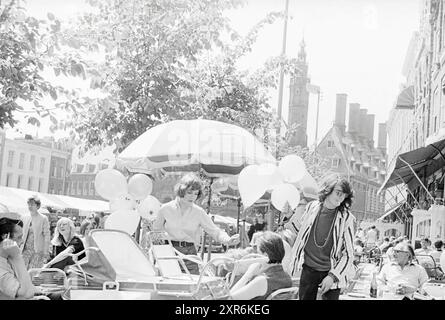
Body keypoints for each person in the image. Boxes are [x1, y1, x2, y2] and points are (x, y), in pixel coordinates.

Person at [153, 173, 239, 274]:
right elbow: (156, 233)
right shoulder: (165, 209)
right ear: (181, 190)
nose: (193, 197)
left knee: (191, 285)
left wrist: (228, 240)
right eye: (190, 192)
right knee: (168, 285)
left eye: (195, 193)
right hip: (168, 252)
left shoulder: (199, 212)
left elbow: (215, 231)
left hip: (190, 254)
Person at [289, 173, 355, 300]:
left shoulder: (346, 218)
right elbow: (301, 234)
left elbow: (349, 254)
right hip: (308, 271)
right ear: (328, 189)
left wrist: (332, 276)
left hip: (331, 273)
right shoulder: (311, 208)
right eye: (338, 192)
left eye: (344, 195)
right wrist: (288, 216)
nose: (341, 198)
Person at [230, 231, 292, 300]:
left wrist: (248, 275)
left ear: (265, 255)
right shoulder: (287, 277)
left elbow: (229, 298)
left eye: (257, 251)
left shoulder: (262, 281)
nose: (255, 255)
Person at [0, 215, 38, 299]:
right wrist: (17, 257)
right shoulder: (2, 269)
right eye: (19, 237)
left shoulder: (7, 258)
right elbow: (27, 294)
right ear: (6, 237)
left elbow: (26, 286)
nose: (22, 242)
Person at [21, 196, 51, 269]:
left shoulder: (43, 218)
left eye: (32, 204)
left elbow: (47, 236)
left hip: (37, 251)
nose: (30, 206)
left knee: (33, 272)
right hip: (24, 250)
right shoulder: (24, 217)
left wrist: (46, 251)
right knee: (22, 271)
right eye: (29, 204)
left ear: (38, 206)